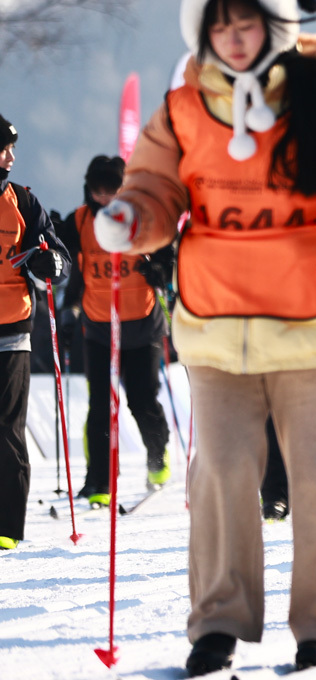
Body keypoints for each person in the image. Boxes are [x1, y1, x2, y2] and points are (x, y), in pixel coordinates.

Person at [92, 0, 316, 674]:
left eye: (248, 19)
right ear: (202, 31)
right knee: (222, 477)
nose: (235, 34)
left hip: (312, 318)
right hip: (218, 321)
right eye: (221, 22)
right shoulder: (183, 105)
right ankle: (218, 621)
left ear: (275, 21)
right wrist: (128, 222)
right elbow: (153, 191)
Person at [56, 154, 174, 506]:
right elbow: (70, 267)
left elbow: (167, 252)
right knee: (100, 406)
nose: (105, 198)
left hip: (142, 327)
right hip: (99, 328)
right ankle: (99, 482)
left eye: (112, 190)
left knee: (141, 400)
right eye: (98, 191)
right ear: (89, 190)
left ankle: (158, 452)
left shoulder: (142, 218)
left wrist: (160, 271)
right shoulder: (81, 221)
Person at [0, 113, 71, 552]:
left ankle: (6, 527)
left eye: (11, 150)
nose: (9, 158)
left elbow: (59, 258)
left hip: (11, 332)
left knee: (5, 429)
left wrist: (50, 265)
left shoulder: (23, 201)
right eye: (2, 149)